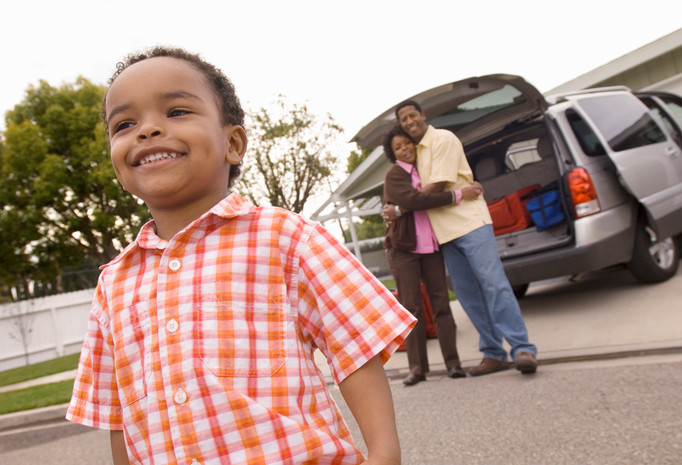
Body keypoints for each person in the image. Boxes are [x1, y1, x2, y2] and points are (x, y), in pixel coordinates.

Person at [65, 46, 416, 465]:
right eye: (124, 123)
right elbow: (120, 414)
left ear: (233, 143)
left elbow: (355, 347)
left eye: (176, 112)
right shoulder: (114, 282)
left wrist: (384, 453)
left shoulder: (286, 238)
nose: (148, 130)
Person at [384, 99, 538, 377]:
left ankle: (522, 348)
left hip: (470, 223)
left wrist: (401, 207)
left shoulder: (443, 139)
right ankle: (493, 353)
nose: (409, 122)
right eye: (403, 119)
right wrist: (395, 204)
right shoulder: (413, 153)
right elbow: (407, 188)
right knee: (469, 296)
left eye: (412, 116)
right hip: (443, 234)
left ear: (423, 114)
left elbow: (436, 187)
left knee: (494, 285)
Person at [382, 125, 481, 386]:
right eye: (398, 147)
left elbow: (422, 198)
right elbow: (416, 201)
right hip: (404, 250)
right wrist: (458, 195)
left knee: (441, 306)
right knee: (411, 308)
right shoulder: (394, 175)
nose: (405, 149)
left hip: (432, 248)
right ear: (392, 154)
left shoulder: (426, 169)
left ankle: (453, 363)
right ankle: (417, 368)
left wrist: (401, 209)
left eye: (407, 144)